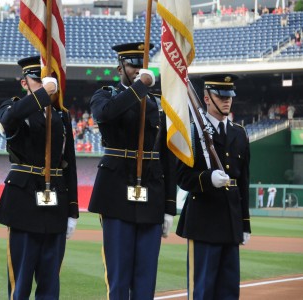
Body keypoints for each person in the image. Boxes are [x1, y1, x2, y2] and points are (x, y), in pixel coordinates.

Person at [88, 42, 177, 298]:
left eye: (141, 65)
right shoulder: (104, 95)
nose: (138, 70)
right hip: (115, 190)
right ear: (120, 68)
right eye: (132, 65)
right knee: (118, 275)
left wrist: (169, 206)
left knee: (146, 277)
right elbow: (106, 115)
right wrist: (140, 87)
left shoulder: (159, 104)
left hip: (151, 191)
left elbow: (167, 157)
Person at [0, 56, 78, 299]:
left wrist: (72, 210)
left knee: (50, 283)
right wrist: (41, 96)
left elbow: (69, 163)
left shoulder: (61, 114)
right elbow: (8, 122)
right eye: (38, 80)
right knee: (20, 283)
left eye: (48, 80)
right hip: (23, 202)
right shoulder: (11, 106)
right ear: (23, 83)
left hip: (56, 202)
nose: (44, 84)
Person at [176, 74, 251, 299]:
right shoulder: (193, 132)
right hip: (204, 222)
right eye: (221, 95)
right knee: (202, 290)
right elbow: (182, 177)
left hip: (231, 221)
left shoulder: (239, 133)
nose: (227, 100)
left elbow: (244, 181)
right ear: (207, 98)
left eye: (230, 96)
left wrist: (245, 224)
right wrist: (208, 179)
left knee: (228, 291)